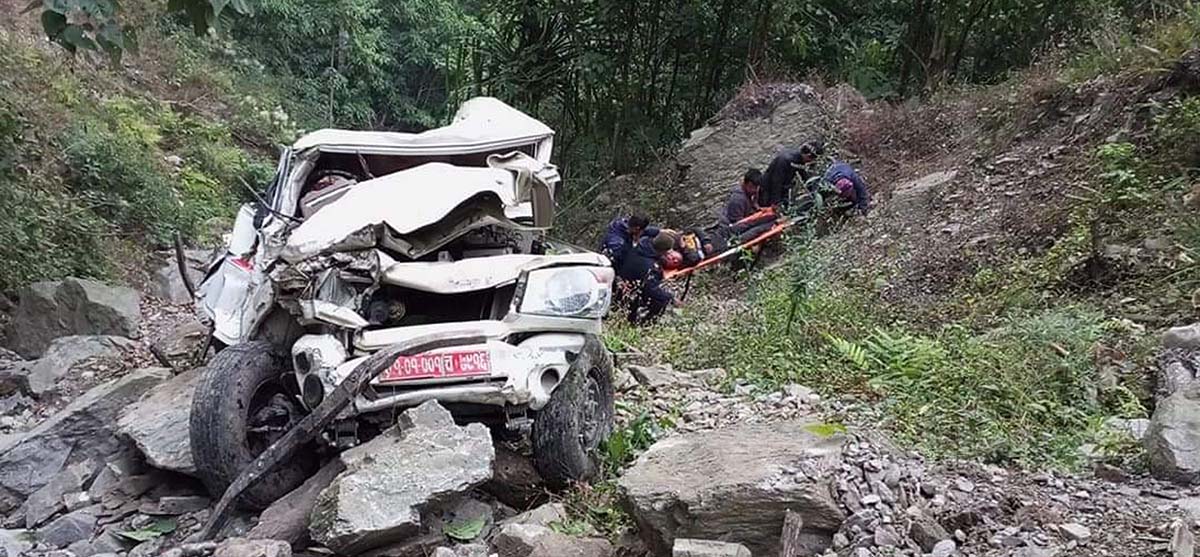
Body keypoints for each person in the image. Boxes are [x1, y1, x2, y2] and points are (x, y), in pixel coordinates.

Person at [618, 231, 679, 324]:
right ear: (663, 251)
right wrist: (671, 298)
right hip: (631, 293)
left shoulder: (641, 245)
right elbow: (651, 289)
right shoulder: (650, 267)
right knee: (661, 300)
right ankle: (645, 323)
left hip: (621, 282)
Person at [759, 142, 824, 208]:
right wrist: (775, 202)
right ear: (808, 155)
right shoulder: (786, 160)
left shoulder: (799, 158)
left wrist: (814, 192)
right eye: (812, 159)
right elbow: (776, 181)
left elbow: (804, 175)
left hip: (782, 188)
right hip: (769, 189)